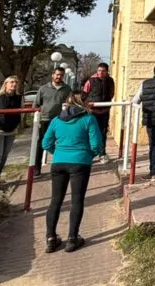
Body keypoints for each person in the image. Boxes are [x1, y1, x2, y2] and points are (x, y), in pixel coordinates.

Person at [42, 90, 104, 253]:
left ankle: (50, 238)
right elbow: (97, 144)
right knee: (77, 200)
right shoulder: (88, 119)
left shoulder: (56, 120)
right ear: (82, 102)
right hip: (80, 162)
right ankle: (72, 238)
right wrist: (88, 155)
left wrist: (58, 153)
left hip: (59, 163)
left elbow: (46, 142)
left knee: (55, 200)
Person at [33, 67, 72, 176]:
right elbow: (36, 105)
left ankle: (61, 167)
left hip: (60, 121)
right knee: (41, 143)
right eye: (57, 74)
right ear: (52, 75)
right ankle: (37, 168)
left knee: (62, 144)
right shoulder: (43, 88)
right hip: (45, 120)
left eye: (61, 75)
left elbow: (70, 104)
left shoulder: (67, 89)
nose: (58, 77)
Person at [82, 62, 116, 163]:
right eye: (99, 71)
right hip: (92, 112)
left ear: (107, 72)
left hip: (104, 111)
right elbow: (84, 95)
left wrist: (106, 104)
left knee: (103, 132)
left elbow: (111, 93)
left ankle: (102, 154)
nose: (100, 73)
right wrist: (88, 104)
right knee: (90, 132)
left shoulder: (110, 81)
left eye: (103, 71)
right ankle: (89, 154)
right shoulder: (90, 81)